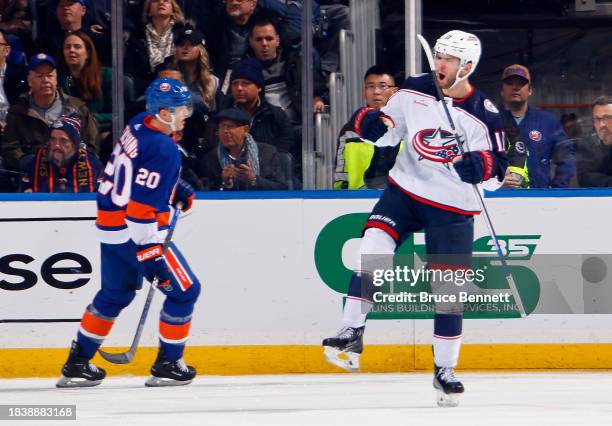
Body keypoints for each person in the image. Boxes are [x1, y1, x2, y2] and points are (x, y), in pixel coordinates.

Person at [321, 30, 508, 407]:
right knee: (372, 246)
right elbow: (386, 130)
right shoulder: (416, 88)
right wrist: (371, 125)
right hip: (406, 191)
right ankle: (352, 329)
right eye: (438, 56)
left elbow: (499, 174)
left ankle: (445, 370)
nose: (439, 64)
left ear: (467, 67)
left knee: (449, 291)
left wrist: (481, 166)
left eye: (449, 60)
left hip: (453, 208)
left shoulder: (485, 113)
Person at [56, 78, 200, 388]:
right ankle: (169, 362)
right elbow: (140, 210)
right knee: (185, 291)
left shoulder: (139, 124)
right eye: (180, 108)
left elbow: (136, 175)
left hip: (110, 229)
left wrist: (174, 187)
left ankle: (78, 363)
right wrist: (152, 258)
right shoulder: (164, 148)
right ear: (163, 112)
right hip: (137, 234)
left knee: (115, 294)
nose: (186, 113)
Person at [0, 53, 99, 172]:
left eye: (49, 75)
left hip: (72, 174)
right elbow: (10, 148)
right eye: (40, 76)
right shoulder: (17, 113)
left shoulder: (78, 108)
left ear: (56, 79)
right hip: (32, 175)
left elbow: (92, 144)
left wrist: (73, 161)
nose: (46, 80)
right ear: (29, 81)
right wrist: (31, 163)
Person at [499, 64, 575, 188]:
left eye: (521, 83)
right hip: (498, 199)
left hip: (539, 199)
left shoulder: (548, 122)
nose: (515, 87)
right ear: (502, 91)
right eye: (510, 83)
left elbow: (567, 156)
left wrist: (558, 190)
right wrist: (496, 181)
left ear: (530, 90)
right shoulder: (491, 122)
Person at [248, 15, 326, 121]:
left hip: (298, 126)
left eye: (269, 38)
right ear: (251, 41)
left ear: (277, 40)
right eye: (259, 39)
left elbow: (319, 90)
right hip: (262, 128)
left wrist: (317, 99)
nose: (264, 44)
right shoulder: (245, 70)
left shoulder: (296, 62)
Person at [334, 65, 399, 189]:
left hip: (398, 202)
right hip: (356, 203)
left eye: (382, 86)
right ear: (364, 92)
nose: (376, 92)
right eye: (371, 86)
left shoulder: (406, 127)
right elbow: (340, 177)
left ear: (395, 92)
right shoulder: (349, 130)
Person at [203, 106, 287, 190]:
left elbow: (282, 188)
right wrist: (225, 183)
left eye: (230, 126)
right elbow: (204, 193)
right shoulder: (210, 159)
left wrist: (253, 179)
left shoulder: (268, 153)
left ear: (245, 130)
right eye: (222, 127)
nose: (225, 131)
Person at [222, 57, 294, 154]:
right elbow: (210, 148)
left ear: (259, 87)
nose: (239, 88)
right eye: (235, 84)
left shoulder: (275, 116)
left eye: (245, 84)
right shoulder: (221, 115)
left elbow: (283, 150)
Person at [20, 114, 101, 192]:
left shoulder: (92, 162)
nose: (57, 145)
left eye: (63, 140)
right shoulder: (38, 160)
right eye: (53, 139)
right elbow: (24, 193)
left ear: (75, 144)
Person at [124, 0, 186, 97]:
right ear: (148, 11)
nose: (161, 3)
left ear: (173, 9)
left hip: (179, 90)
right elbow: (131, 73)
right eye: (155, 1)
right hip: (147, 92)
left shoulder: (184, 34)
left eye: (166, 1)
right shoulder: (137, 37)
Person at [57, 30, 112, 132]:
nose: (71, 50)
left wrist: (89, 118)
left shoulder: (106, 75)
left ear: (88, 53)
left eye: (77, 47)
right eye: (67, 47)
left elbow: (116, 115)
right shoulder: (58, 78)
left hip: (99, 131)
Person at [576, 96, 612, 187]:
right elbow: (585, 178)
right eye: (597, 119)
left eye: (607, 118)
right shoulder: (588, 145)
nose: (601, 125)